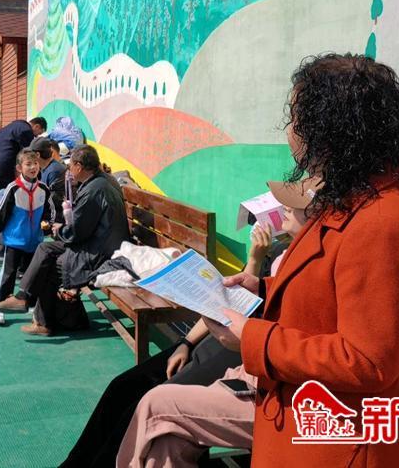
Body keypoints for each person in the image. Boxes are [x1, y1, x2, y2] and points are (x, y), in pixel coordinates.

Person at [206, 54, 399, 467]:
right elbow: (339, 292)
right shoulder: (364, 195)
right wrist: (262, 288)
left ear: (329, 128)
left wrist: (253, 340)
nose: (289, 132)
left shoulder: (383, 222)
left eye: (295, 119)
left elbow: (367, 360)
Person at [114, 178, 318, 468]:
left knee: (153, 402)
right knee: (142, 410)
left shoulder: (308, 263)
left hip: (249, 361)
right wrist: (185, 342)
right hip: (226, 348)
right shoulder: (280, 253)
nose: (282, 207)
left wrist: (254, 260)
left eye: (292, 204)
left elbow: (256, 319)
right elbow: (233, 301)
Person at [0, 145, 129, 335]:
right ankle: (25, 300)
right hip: (102, 243)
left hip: (99, 252)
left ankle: (38, 316)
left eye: (71, 165)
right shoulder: (102, 182)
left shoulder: (93, 190)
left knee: (50, 263)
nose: (69, 169)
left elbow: (77, 232)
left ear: (79, 166)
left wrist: (59, 231)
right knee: (45, 250)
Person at [0, 149, 54, 326]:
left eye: (35, 163)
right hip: (14, 241)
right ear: (19, 168)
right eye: (28, 164)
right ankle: (0, 309)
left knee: (33, 276)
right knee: (8, 275)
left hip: (35, 241)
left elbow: (49, 211)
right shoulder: (13, 188)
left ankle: (30, 304)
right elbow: (0, 214)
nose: (33, 167)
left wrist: (47, 223)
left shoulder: (43, 189)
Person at [0, 118, 37, 261]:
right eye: (37, 132)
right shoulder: (26, 129)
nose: (35, 135)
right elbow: (27, 155)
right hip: (5, 172)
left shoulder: (6, 129)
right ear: (36, 126)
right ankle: (3, 247)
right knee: (7, 209)